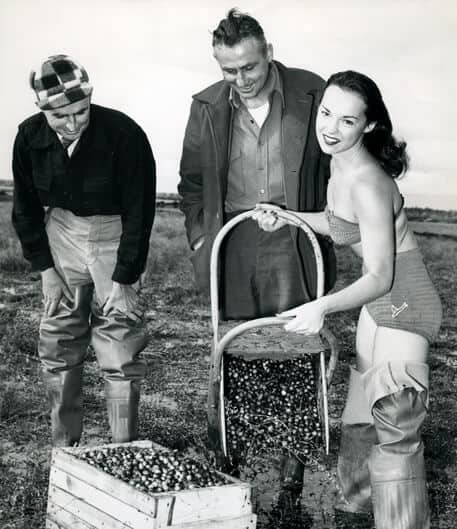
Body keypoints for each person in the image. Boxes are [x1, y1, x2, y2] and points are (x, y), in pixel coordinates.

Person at [256, 70, 442, 529]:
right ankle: (356, 515)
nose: (330, 128)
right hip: (382, 302)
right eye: (326, 113)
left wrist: (322, 306)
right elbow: (339, 221)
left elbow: (380, 275)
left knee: (395, 425)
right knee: (360, 416)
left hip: (402, 302)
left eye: (347, 121)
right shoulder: (340, 163)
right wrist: (288, 217)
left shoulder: (369, 182)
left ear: (369, 126)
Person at [12, 54, 156, 446]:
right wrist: (46, 272)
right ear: (43, 110)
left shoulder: (124, 134)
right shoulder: (28, 138)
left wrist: (125, 278)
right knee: (59, 343)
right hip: (62, 233)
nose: (74, 123)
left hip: (113, 235)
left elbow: (140, 212)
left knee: (119, 349)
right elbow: (24, 209)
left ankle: (123, 449)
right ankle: (65, 448)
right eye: (61, 116)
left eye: (81, 111)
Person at [178, 8, 336, 320]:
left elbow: (339, 165)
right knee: (238, 346)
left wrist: (325, 230)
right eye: (229, 70)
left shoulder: (314, 92)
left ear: (269, 53)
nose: (241, 80)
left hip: (298, 241)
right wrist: (201, 240)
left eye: (249, 67)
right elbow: (192, 184)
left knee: (297, 341)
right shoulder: (205, 107)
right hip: (233, 242)